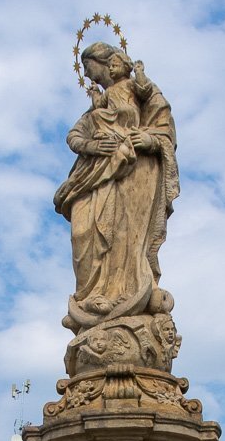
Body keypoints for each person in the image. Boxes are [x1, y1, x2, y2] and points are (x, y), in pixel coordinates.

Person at [54, 41, 179, 332]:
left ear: (107, 61)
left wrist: (150, 140)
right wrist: (93, 145)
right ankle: (92, 296)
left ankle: (125, 293)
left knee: (126, 233)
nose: (87, 76)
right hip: (93, 176)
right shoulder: (97, 106)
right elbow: (75, 136)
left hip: (134, 175)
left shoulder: (139, 89)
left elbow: (164, 125)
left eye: (89, 67)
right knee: (84, 231)